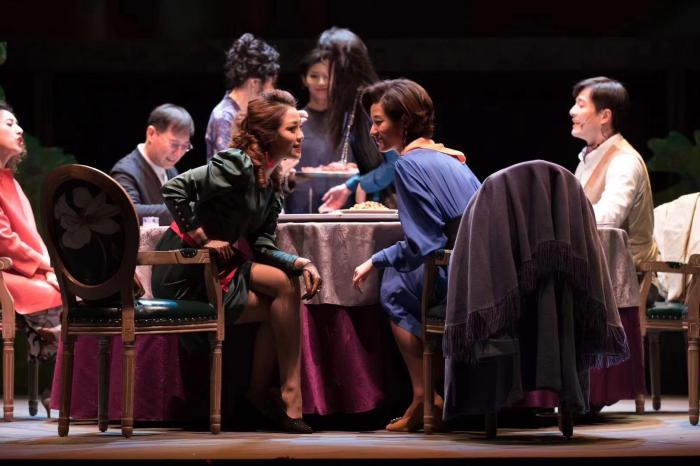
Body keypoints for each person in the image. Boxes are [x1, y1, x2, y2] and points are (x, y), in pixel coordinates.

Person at [152, 90, 322, 434]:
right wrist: (203, 238)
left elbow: (262, 246)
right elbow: (174, 190)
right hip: (187, 267)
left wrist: (300, 262)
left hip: (221, 266)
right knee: (282, 287)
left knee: (284, 292)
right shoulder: (236, 164)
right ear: (268, 135)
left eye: (299, 128)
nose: (300, 136)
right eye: (291, 129)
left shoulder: (271, 181)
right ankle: (284, 395)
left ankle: (266, 393)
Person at [351, 80, 481, 432]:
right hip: (482, 269)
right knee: (403, 275)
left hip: (459, 273)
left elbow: (425, 244)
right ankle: (431, 396)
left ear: (404, 121)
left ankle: (425, 397)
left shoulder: (409, 165)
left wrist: (375, 259)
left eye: (379, 122)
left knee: (395, 283)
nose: (373, 131)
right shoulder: (451, 158)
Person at [0, 102, 62, 412]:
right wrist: (44, 266)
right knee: (63, 295)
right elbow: (4, 241)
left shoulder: (9, 179)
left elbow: (31, 237)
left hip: (22, 269)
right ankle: (59, 390)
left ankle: (62, 388)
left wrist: (47, 267)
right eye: (9, 124)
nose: (19, 129)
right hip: (6, 272)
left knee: (72, 290)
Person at [570, 76, 657, 265]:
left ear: (604, 116)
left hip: (628, 274)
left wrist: (562, 217)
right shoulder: (588, 157)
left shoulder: (624, 160)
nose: (572, 111)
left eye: (581, 105)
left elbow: (608, 220)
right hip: (596, 267)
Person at [315, 27, 400, 212]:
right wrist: (350, 186)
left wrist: (358, 185)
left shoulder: (371, 103)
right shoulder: (353, 102)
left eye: (326, 60)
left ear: (340, 64)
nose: (323, 67)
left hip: (393, 206)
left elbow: (396, 164)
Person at [110, 103, 194, 225]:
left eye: (185, 146)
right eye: (174, 144)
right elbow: (130, 211)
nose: (178, 153)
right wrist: (183, 210)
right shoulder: (125, 172)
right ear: (151, 134)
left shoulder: (170, 168)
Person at [284, 48, 344, 213]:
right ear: (304, 79)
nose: (321, 82)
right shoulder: (295, 120)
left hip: (341, 206)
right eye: (314, 76)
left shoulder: (348, 121)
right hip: (301, 204)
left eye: (327, 76)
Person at [205, 33, 279, 160]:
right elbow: (229, 168)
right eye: (270, 84)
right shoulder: (224, 117)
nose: (272, 90)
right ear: (254, 82)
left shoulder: (248, 112)